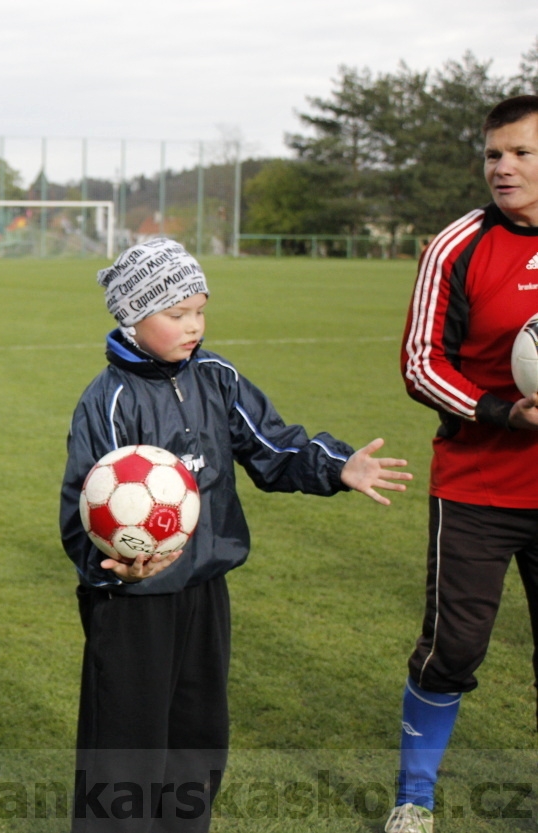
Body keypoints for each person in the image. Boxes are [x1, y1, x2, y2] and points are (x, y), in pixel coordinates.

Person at [60, 237, 411, 833]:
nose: (194, 325)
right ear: (133, 316)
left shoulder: (216, 377)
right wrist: (111, 567)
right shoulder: (108, 401)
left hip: (205, 589)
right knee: (124, 749)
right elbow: (82, 508)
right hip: (132, 602)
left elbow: (274, 446)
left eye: (200, 309)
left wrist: (338, 466)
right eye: (177, 314)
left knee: (198, 738)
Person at [385, 94, 538, 833]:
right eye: (493, 155)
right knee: (454, 648)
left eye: (521, 153)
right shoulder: (457, 246)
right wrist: (503, 411)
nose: (503, 167)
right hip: (480, 486)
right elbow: (420, 364)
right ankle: (415, 798)